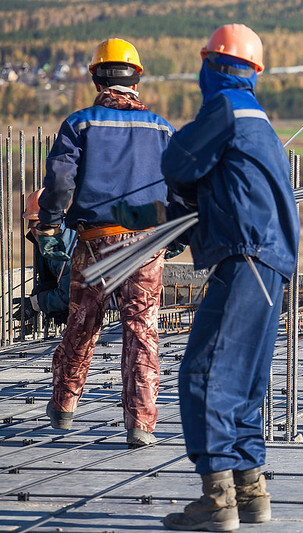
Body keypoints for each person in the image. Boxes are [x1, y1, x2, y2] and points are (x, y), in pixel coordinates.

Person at [113, 24, 299, 531]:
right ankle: (251, 490)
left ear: (212, 67)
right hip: (269, 263)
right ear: (252, 71)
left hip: (245, 260)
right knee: (244, 382)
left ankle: (217, 499)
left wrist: (168, 204)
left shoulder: (225, 109)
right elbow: (225, 186)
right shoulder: (258, 117)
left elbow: (178, 160)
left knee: (205, 374)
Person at [36, 38, 174, 447]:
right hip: (147, 244)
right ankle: (141, 425)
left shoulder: (80, 124)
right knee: (142, 330)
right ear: (136, 78)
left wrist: (49, 225)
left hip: (96, 242)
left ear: (96, 76)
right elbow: (181, 188)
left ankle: (63, 409)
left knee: (82, 323)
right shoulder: (163, 128)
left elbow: (60, 181)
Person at [15, 189, 73, 332]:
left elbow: (70, 296)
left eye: (40, 225)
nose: (34, 231)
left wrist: (37, 303)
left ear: (57, 222)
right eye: (32, 224)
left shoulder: (64, 248)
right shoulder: (52, 240)